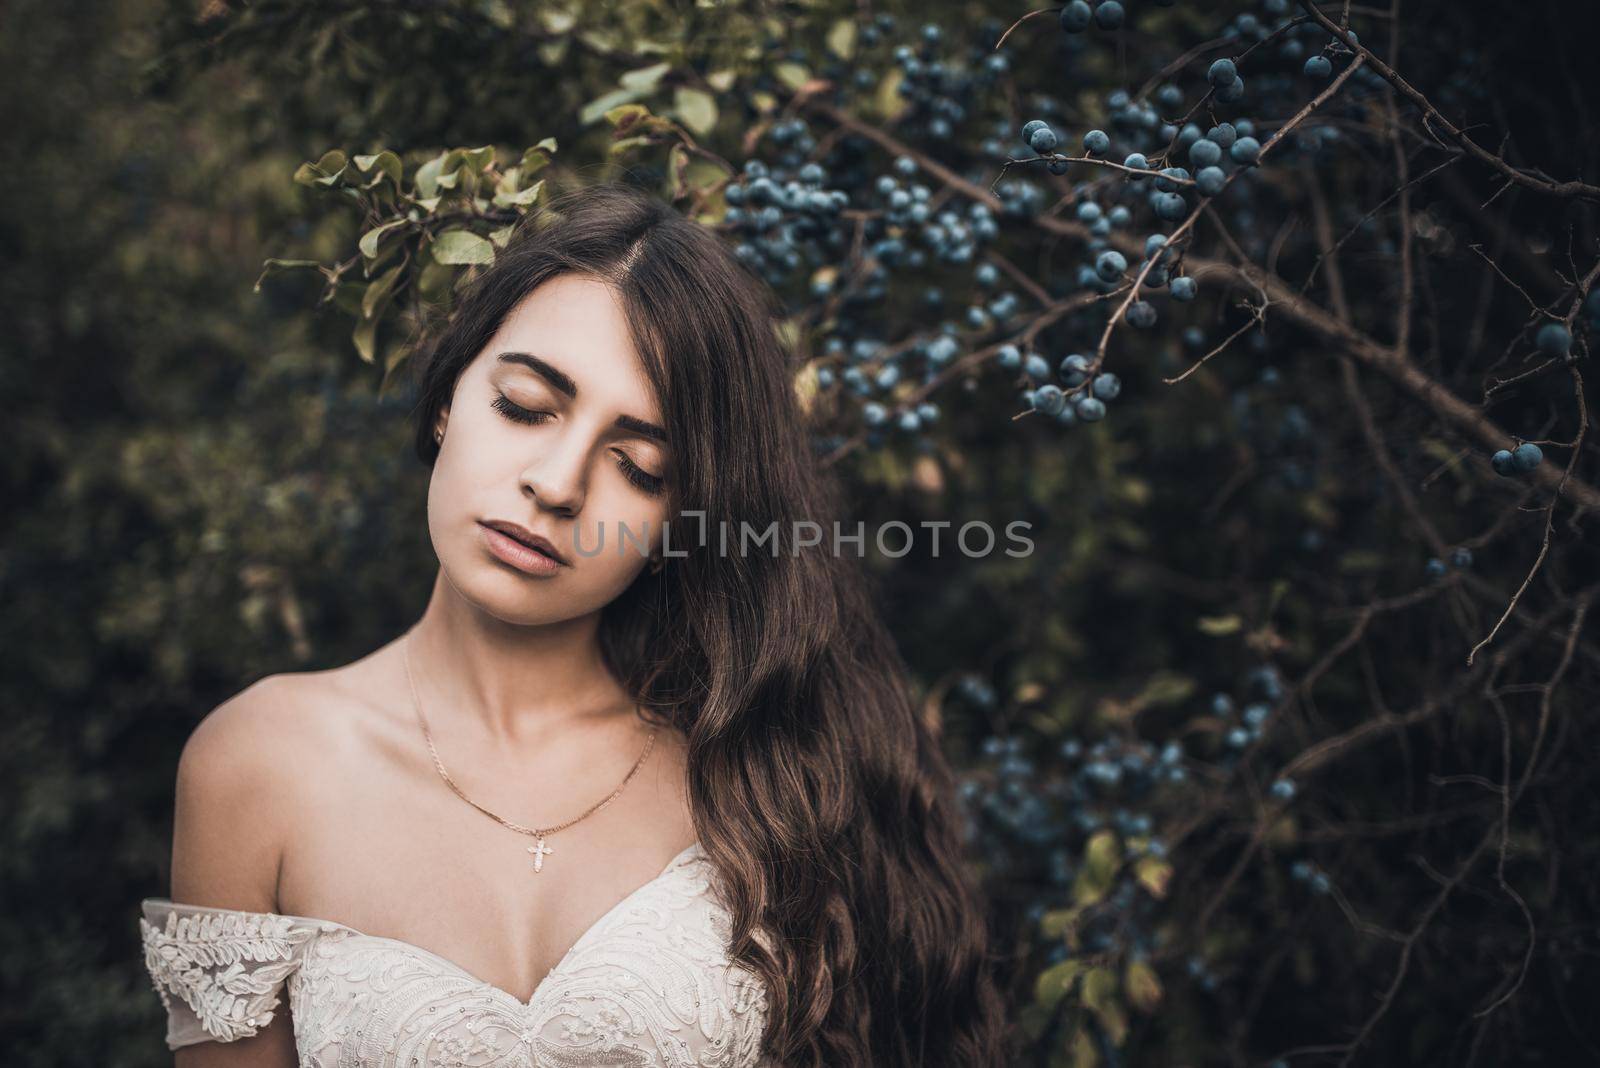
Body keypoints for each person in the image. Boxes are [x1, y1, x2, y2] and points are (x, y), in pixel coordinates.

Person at [137, 181, 1007, 1066]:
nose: (557, 485)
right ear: (448, 402)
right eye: (523, 407)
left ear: (680, 521)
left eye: (636, 466)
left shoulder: (766, 771)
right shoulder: (256, 763)